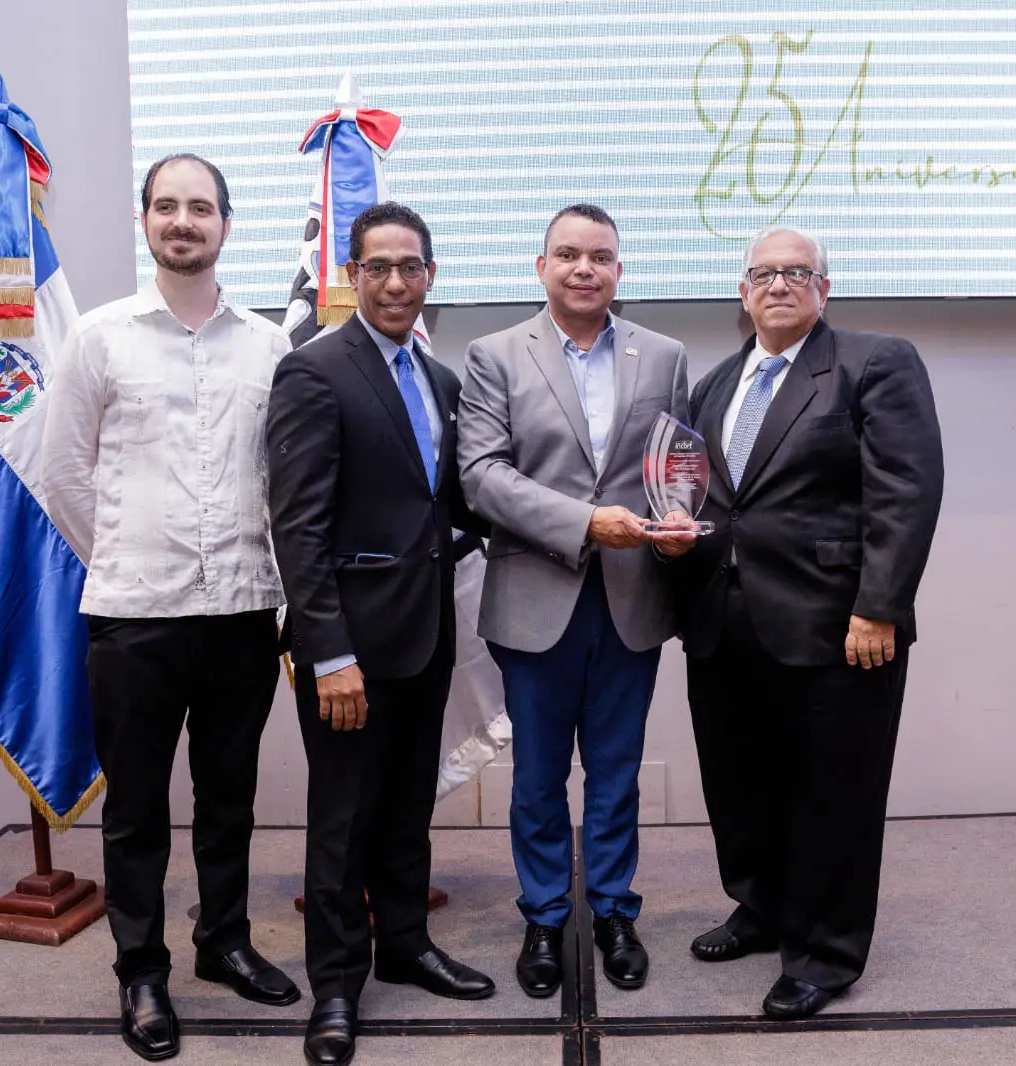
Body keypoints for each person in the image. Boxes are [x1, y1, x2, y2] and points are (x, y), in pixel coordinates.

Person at [41, 153, 298, 1062]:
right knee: (137, 810)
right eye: (167, 207)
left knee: (231, 798)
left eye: (201, 207)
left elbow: (284, 484)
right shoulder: (101, 339)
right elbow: (63, 469)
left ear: (227, 224)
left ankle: (223, 939)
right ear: (145, 220)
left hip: (240, 610)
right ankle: (141, 970)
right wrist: (124, 551)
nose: (183, 221)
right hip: (135, 616)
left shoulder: (269, 345)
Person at [669, 226, 944, 1020]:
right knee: (741, 781)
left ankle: (824, 952)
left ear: (826, 288)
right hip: (723, 624)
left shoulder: (874, 362)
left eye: (799, 273)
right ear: (743, 290)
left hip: (838, 626)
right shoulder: (718, 382)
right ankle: (761, 910)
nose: (780, 284)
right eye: (765, 273)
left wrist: (879, 607)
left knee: (833, 794)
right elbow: (706, 495)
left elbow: (907, 491)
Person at [267, 201, 495, 1066]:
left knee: (405, 808)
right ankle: (334, 984)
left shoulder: (440, 382)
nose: (396, 281)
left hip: (427, 636)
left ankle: (404, 942)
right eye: (378, 267)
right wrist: (330, 653)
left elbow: (460, 503)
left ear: (430, 275)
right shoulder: (315, 372)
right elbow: (299, 526)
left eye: (411, 266)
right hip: (347, 653)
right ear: (352, 277)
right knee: (343, 820)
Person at [457, 204, 688, 998]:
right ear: (541, 267)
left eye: (601, 257)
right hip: (535, 595)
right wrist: (585, 522)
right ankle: (546, 918)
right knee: (538, 779)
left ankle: (617, 911)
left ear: (619, 270)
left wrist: (676, 523)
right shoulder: (494, 355)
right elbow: (481, 474)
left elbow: (676, 467)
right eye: (568, 255)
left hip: (632, 600)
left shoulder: (665, 355)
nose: (585, 268)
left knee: (617, 773)